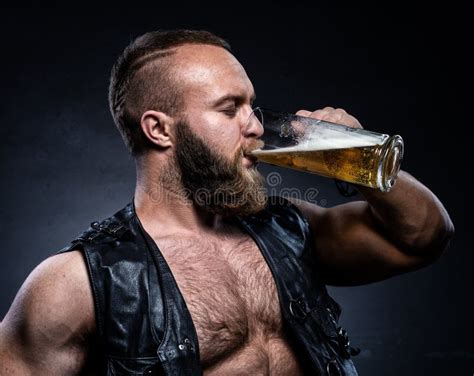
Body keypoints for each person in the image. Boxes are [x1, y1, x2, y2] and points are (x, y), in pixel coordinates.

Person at [0, 30, 454, 375]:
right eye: (228, 108)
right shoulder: (75, 284)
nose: (255, 126)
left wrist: (360, 165)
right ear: (159, 129)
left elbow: (423, 238)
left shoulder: (288, 228)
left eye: (252, 106)